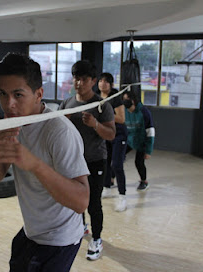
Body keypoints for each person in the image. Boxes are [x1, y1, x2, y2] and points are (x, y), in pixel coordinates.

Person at [0, 53, 90, 272]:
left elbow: (81, 201)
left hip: (59, 240)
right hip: (32, 231)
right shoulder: (11, 124)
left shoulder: (59, 132)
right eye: (3, 94)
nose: (9, 104)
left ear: (38, 94)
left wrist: (34, 164)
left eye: (18, 94)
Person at [59, 60, 115, 261]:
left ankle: (97, 239)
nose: (78, 83)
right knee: (76, 200)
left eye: (83, 79)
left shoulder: (102, 106)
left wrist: (95, 124)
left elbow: (110, 135)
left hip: (95, 161)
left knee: (93, 204)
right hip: (73, 161)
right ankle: (82, 228)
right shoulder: (67, 103)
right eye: (76, 78)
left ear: (92, 81)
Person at [98, 73, 128, 212]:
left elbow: (121, 118)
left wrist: (104, 116)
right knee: (105, 163)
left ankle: (122, 197)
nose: (102, 83)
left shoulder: (115, 98)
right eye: (101, 81)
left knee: (116, 165)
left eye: (106, 81)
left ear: (111, 85)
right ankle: (107, 188)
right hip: (105, 134)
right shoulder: (97, 98)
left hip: (119, 135)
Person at [123, 90, 155, 191]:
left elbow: (150, 132)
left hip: (142, 141)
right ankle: (111, 179)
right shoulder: (124, 111)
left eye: (127, 99)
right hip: (129, 140)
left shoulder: (144, 112)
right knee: (118, 158)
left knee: (139, 162)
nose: (125, 101)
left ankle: (144, 181)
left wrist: (148, 151)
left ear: (133, 100)